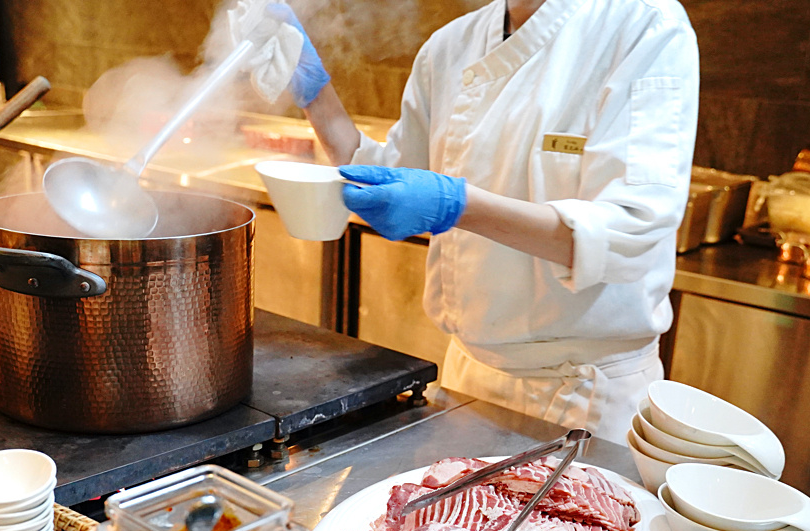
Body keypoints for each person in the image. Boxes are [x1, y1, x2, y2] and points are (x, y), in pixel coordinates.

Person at [247, 0, 699, 442]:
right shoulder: (451, 45)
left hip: (582, 395)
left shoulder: (644, 24)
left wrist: (457, 206)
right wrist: (315, 92)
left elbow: (631, 231)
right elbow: (392, 173)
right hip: (468, 377)